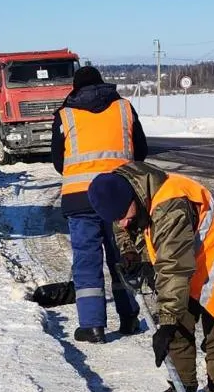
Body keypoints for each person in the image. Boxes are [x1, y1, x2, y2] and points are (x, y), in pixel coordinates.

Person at [86, 161, 214, 392]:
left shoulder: (170, 205)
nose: (124, 222)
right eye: (117, 218)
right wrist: (130, 252)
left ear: (132, 198)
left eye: (125, 215)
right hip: (189, 257)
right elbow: (124, 226)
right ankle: (183, 389)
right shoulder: (126, 190)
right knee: (179, 325)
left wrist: (165, 323)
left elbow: (173, 267)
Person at [50, 65, 148, 343]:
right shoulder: (124, 108)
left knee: (87, 260)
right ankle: (129, 317)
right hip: (120, 196)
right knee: (123, 255)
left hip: (80, 198)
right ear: (103, 84)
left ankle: (93, 326)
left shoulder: (65, 114)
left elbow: (59, 162)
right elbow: (141, 150)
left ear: (75, 87)